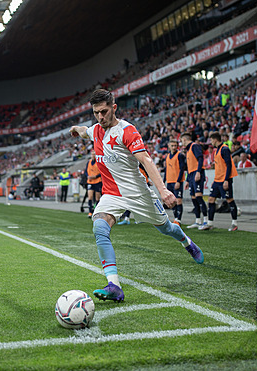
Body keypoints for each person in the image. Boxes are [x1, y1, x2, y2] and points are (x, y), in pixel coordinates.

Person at [69, 89, 204, 303]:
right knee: (99, 227)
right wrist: (76, 129)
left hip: (139, 194)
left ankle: (186, 241)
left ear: (114, 108)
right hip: (111, 194)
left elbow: (147, 161)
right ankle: (114, 286)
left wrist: (163, 191)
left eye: (104, 111)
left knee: (165, 228)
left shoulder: (127, 131)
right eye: (96, 113)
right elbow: (86, 130)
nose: (101, 117)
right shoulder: (95, 129)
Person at [202, 133, 239, 231]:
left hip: (224, 179)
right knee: (211, 199)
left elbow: (229, 165)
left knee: (229, 200)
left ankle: (234, 223)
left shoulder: (225, 149)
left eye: (211, 140)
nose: (211, 142)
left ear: (215, 139)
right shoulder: (217, 150)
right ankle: (210, 223)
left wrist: (227, 180)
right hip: (217, 180)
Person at [180, 133, 208, 229]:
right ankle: (198, 221)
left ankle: (206, 220)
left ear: (184, 139)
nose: (181, 142)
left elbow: (200, 159)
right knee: (193, 198)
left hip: (197, 172)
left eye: (181, 140)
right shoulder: (188, 150)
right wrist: (187, 180)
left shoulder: (194, 146)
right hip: (191, 174)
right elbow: (189, 167)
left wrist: (198, 172)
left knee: (198, 196)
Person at [164, 139, 186, 226]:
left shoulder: (180, 155)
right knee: (172, 201)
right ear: (169, 146)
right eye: (172, 145)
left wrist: (178, 181)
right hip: (169, 181)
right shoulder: (167, 156)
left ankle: (178, 220)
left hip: (177, 181)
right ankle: (175, 218)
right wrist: (163, 181)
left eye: (175, 145)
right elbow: (166, 170)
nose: (174, 147)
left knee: (179, 200)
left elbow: (182, 169)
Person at [85, 150, 102, 217]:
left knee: (97, 197)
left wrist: (95, 176)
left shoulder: (98, 162)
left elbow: (101, 172)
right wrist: (88, 176)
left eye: (94, 154)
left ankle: (96, 211)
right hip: (90, 181)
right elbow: (86, 171)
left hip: (97, 181)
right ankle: (90, 212)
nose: (93, 155)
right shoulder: (88, 162)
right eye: (92, 154)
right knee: (90, 196)